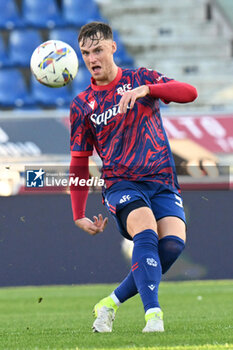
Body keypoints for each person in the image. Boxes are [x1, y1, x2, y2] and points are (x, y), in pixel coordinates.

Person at [69, 21, 198, 333]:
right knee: (145, 229)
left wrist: (148, 90)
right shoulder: (82, 106)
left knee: (171, 247)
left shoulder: (141, 79)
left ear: (113, 47)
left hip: (162, 179)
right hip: (121, 184)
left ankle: (110, 303)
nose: (92, 59)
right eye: (86, 53)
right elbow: (79, 163)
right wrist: (78, 213)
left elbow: (189, 92)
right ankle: (153, 315)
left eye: (98, 50)